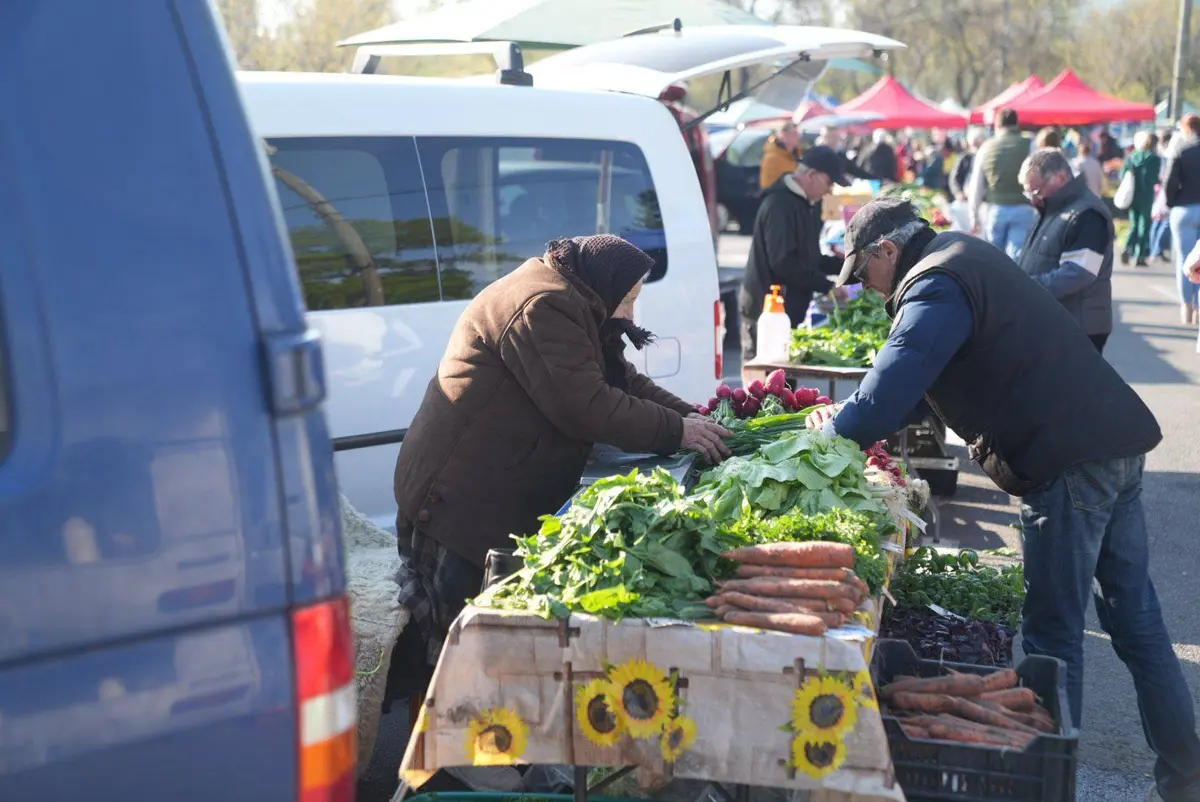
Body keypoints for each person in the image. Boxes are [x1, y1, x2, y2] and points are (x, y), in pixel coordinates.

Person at [805, 196, 1200, 802]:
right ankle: (1185, 777)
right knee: (1137, 622)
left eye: (864, 271)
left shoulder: (933, 284)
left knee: (1053, 639)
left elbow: (888, 393)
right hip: (1110, 441)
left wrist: (831, 434)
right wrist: (857, 419)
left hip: (1067, 460)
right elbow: (914, 390)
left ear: (886, 250)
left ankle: (1049, 788)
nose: (866, 285)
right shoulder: (961, 253)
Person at [388, 234, 732, 704]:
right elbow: (586, 405)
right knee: (452, 649)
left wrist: (691, 416)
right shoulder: (544, 305)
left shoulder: (575, 299)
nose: (630, 313)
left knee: (486, 645)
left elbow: (622, 381)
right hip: (455, 501)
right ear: (605, 284)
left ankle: (482, 726)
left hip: (488, 491)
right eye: (628, 299)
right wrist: (678, 431)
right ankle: (441, 742)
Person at [740, 146, 849, 360]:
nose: (830, 191)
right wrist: (826, 286)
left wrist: (850, 267)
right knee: (765, 376)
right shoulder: (780, 205)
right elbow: (783, 262)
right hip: (767, 312)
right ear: (811, 175)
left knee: (783, 377)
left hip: (785, 311)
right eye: (829, 183)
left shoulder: (805, 204)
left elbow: (811, 259)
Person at [1017, 148, 1115, 353]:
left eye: (1036, 191)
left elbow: (1079, 273)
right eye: (1028, 193)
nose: (1033, 199)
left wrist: (1028, 287)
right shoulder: (1051, 207)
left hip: (1077, 328)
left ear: (1061, 178)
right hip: (1056, 321)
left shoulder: (1088, 213)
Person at [968, 108, 1037, 260]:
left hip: (995, 209)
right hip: (1024, 208)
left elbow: (976, 184)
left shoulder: (986, 147)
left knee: (993, 259)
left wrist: (974, 215)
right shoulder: (1030, 144)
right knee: (1017, 259)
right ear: (1017, 123)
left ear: (997, 125)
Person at [1165, 113, 1200, 325]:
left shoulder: (1181, 150)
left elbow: (1170, 181)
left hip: (1184, 207)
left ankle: (1186, 306)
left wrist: (1171, 202)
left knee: (1185, 260)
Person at [1120, 131, 1163, 268]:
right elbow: (1154, 178)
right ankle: (1140, 256)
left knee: (1134, 224)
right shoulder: (1154, 159)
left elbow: (1122, 174)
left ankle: (1127, 247)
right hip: (1146, 195)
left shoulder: (1133, 156)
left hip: (1133, 194)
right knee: (1144, 225)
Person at [1150, 130, 1175, 264]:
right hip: (1164, 191)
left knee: (1158, 221)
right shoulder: (1166, 155)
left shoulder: (1160, 154)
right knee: (1165, 221)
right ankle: (1156, 250)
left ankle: (1155, 250)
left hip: (1159, 191)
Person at [759, 122, 802, 190]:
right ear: (783, 135)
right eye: (794, 134)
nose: (798, 137)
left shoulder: (796, 154)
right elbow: (767, 186)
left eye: (798, 134)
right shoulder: (772, 158)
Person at [949, 129, 986, 202]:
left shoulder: (987, 157)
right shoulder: (964, 158)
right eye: (973, 145)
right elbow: (954, 178)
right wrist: (958, 192)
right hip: (965, 196)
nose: (975, 148)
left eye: (978, 145)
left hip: (983, 197)